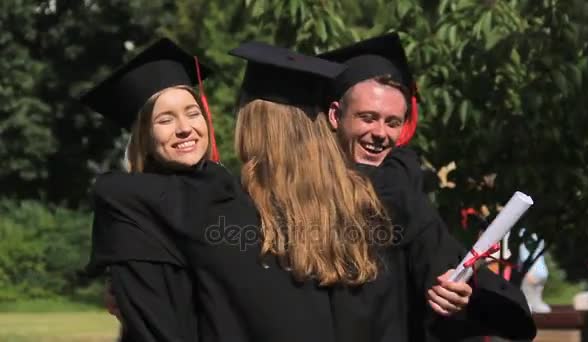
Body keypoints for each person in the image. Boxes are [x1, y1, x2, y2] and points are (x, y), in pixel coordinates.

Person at [82, 37, 398, 342]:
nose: (184, 127)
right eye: (165, 119)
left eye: (193, 113)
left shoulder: (224, 206)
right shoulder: (368, 201)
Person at [318, 33, 536, 341]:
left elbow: (439, 267)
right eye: (367, 118)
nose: (380, 133)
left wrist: (455, 292)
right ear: (335, 115)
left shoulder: (405, 193)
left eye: (392, 122)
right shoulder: (304, 185)